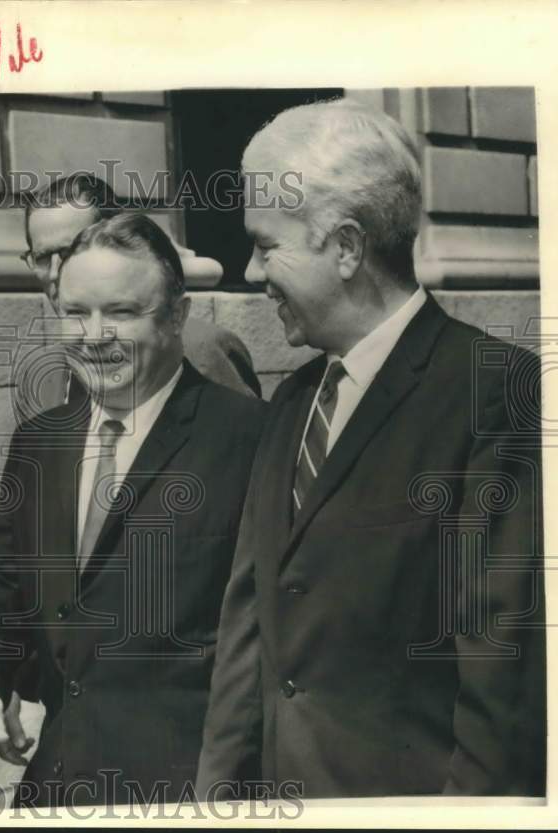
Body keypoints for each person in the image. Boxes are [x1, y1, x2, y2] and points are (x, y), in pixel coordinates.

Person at [196, 99, 544, 798]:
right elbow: (247, 633)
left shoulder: (495, 393)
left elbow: (503, 678)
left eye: (266, 246)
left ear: (347, 247)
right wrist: (215, 797)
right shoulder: (291, 403)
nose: (252, 271)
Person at [0, 213, 265, 807]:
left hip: (189, 794)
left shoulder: (250, 438)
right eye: (75, 313)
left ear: (178, 317)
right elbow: (0, 585)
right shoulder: (40, 441)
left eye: (121, 312)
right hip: (57, 786)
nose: (93, 336)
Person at [16, 173, 261, 417]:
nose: (55, 273)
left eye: (72, 250)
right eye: (42, 258)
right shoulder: (42, 377)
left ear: (118, 240)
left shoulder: (202, 350)